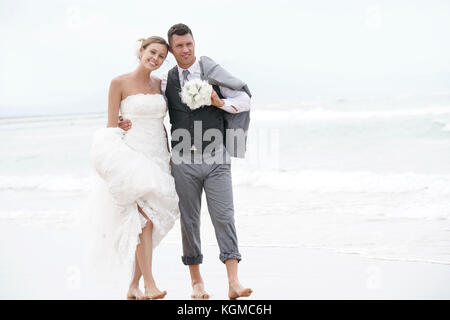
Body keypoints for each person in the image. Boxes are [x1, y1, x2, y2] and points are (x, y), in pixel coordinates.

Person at [119, 24, 253, 300]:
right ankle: (197, 284)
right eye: (179, 46)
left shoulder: (211, 71)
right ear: (172, 50)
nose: (185, 50)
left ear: (194, 43)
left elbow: (244, 98)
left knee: (224, 217)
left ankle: (234, 282)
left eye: (189, 44)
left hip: (217, 157)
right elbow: (147, 106)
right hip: (182, 161)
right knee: (189, 223)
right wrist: (125, 122)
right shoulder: (165, 81)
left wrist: (220, 103)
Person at [87, 36, 180, 300]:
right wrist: (119, 124)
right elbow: (111, 125)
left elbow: (162, 122)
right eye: (153, 52)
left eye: (162, 56)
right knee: (145, 221)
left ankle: (132, 287)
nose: (156, 59)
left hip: (158, 155)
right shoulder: (119, 82)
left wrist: (171, 153)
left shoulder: (160, 83)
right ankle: (149, 285)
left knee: (151, 221)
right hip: (131, 156)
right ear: (141, 51)